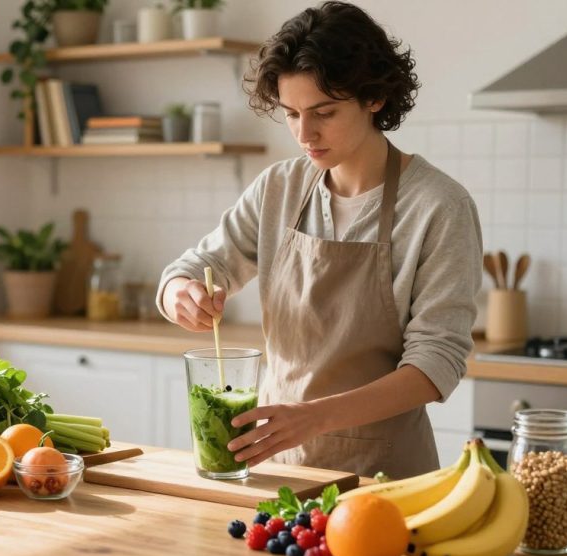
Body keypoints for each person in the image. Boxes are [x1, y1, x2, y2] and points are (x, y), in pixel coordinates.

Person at [157, 1, 482, 479]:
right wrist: (180, 295)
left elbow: (437, 364)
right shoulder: (278, 189)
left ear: (374, 97)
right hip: (277, 468)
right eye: (290, 113)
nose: (304, 133)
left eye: (323, 112)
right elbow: (194, 266)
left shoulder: (438, 205)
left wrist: (314, 418)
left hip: (384, 479)